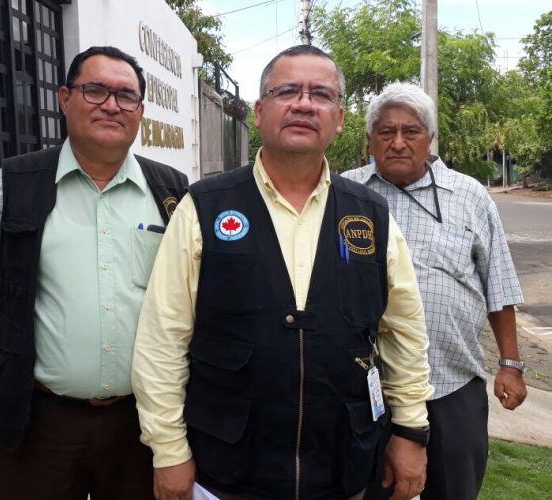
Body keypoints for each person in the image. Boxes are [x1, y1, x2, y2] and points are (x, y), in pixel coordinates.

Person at [131, 45, 434, 500]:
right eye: (287, 90)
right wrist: (168, 449)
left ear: (340, 117)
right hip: (226, 469)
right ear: (259, 111)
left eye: (321, 94)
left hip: (339, 467)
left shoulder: (371, 215)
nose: (304, 103)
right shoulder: (205, 206)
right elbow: (162, 338)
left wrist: (411, 431)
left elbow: (404, 332)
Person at [0, 46, 188, 500]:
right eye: (95, 90)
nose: (111, 105)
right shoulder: (15, 184)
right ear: (64, 98)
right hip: (37, 420)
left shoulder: (171, 191)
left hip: (143, 424)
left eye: (126, 96)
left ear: (141, 112)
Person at [341, 82, 527, 500]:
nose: (399, 142)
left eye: (411, 131)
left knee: (453, 490)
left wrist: (511, 364)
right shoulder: (345, 194)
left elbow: (498, 282)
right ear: (370, 140)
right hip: (365, 387)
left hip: (452, 384)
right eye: (386, 132)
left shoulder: (469, 196)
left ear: (430, 138)